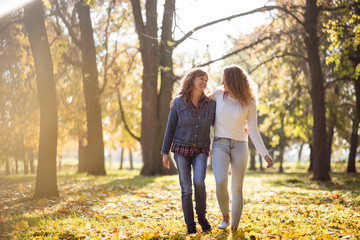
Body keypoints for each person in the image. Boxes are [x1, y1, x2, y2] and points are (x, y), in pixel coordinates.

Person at [211, 64, 273, 231]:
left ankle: (234, 227)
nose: (222, 82)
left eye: (224, 78)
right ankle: (225, 217)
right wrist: (177, 101)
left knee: (237, 188)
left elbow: (253, 129)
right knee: (220, 181)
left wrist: (264, 154)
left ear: (233, 80)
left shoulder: (250, 102)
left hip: (240, 145)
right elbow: (197, 103)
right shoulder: (217, 96)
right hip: (220, 144)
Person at [161, 68, 216, 234]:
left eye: (206, 80)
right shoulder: (177, 103)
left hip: (201, 149)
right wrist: (165, 153)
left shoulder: (211, 104)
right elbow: (170, 128)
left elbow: (221, 123)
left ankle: (201, 216)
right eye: (201, 78)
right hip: (180, 149)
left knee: (199, 182)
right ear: (192, 80)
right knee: (186, 188)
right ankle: (190, 224)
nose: (204, 82)